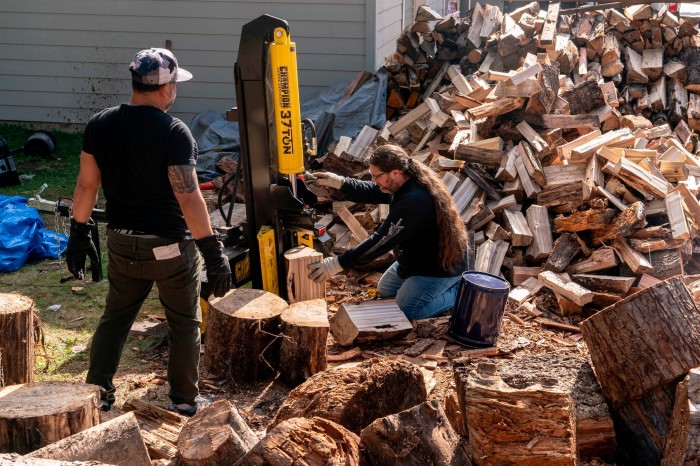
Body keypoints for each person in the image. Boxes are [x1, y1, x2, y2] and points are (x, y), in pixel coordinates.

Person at [65, 48, 232, 416]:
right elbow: (188, 198)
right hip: (170, 247)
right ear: (166, 87)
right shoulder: (173, 131)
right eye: (175, 85)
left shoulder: (100, 124)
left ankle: (98, 392)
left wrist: (77, 234)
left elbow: (86, 186)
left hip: (123, 243)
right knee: (184, 322)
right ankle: (185, 399)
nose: (175, 92)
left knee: (116, 316)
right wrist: (212, 250)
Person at [309, 144, 469, 320]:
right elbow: (372, 191)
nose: (373, 179)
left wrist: (337, 264)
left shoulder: (412, 202)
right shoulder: (403, 182)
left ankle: (458, 292)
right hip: (415, 258)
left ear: (395, 172)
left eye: (376, 176)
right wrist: (342, 183)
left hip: (438, 267)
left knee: (407, 312)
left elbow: (379, 242)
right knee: (385, 291)